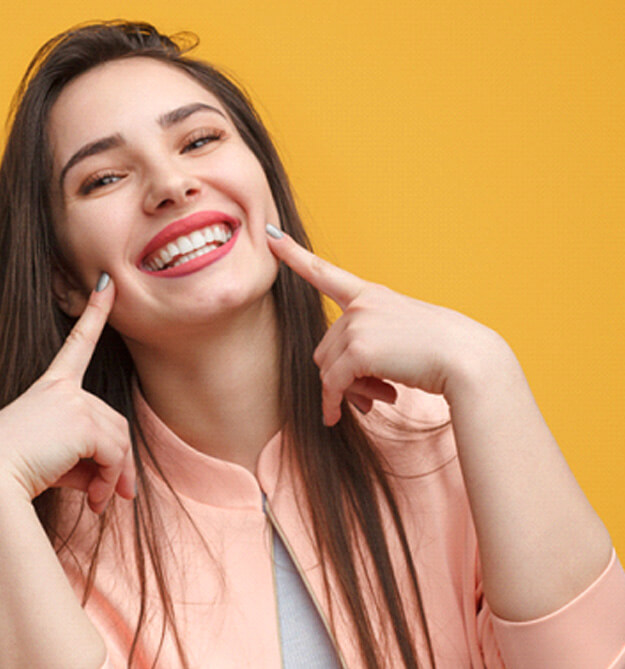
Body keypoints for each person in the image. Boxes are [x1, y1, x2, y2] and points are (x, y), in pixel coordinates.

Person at [0, 20, 623, 669]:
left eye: (200, 139)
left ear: (264, 180)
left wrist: (486, 368)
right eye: (102, 178)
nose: (171, 185)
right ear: (62, 278)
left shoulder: (450, 437)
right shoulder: (44, 535)